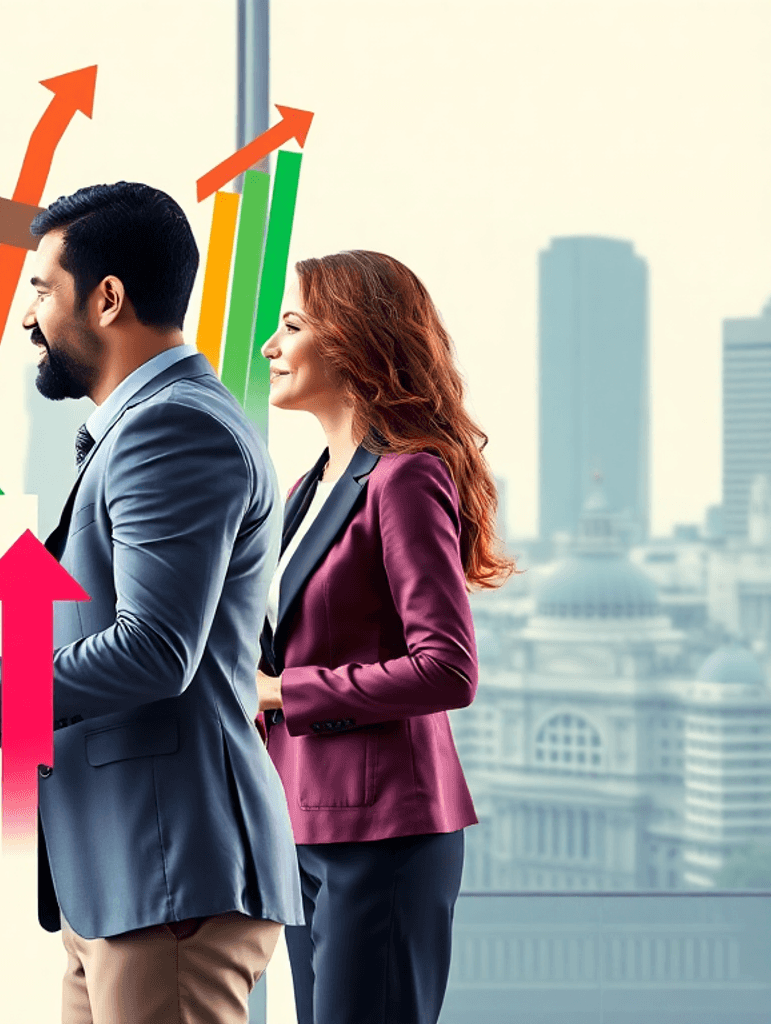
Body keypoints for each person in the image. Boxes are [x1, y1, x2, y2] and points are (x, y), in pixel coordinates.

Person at [0, 182, 303, 1024]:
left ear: (108, 298)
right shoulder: (149, 426)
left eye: (42, 290)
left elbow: (153, 650)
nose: (29, 319)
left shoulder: (172, 430)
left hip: (166, 878)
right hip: (123, 879)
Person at [255, 250, 512, 1024]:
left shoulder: (405, 477)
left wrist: (281, 692)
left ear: (353, 345)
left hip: (385, 830)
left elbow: (446, 670)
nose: (270, 346)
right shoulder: (303, 491)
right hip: (301, 823)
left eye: (292, 326)